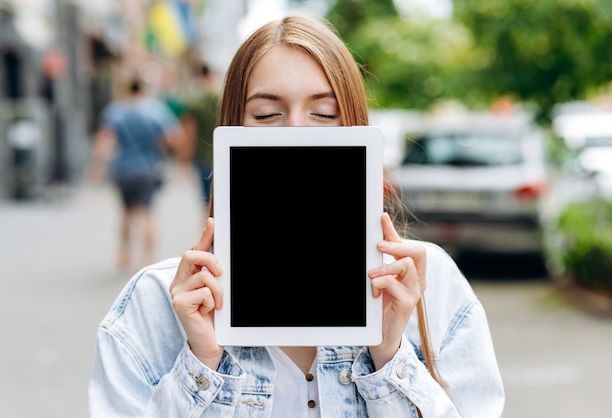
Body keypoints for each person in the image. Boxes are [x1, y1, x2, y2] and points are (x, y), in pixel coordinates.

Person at [89, 14, 505, 417]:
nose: (295, 135)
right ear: (232, 131)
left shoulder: (433, 289)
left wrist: (389, 356)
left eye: (324, 114)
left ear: (358, 130)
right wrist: (201, 366)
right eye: (267, 114)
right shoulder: (155, 304)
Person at [88, 75, 183, 271]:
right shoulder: (156, 109)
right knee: (147, 213)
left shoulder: (115, 110)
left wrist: (96, 168)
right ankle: (148, 258)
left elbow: (105, 140)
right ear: (143, 89)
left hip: (123, 170)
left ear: (126, 89)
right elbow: (174, 136)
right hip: (148, 169)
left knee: (126, 212)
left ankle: (124, 253)